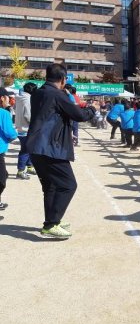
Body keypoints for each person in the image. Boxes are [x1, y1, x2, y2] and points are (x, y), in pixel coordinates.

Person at [26, 64, 96, 238]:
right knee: (68, 184)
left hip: (35, 146)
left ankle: (51, 222)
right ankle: (51, 224)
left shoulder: (39, 93)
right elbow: (79, 115)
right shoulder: (57, 94)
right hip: (49, 147)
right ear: (63, 79)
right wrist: (92, 108)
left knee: (50, 187)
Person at [14, 82, 37, 180]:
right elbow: (28, 115)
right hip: (26, 128)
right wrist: (34, 124)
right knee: (25, 150)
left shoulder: (19, 98)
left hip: (20, 127)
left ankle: (29, 167)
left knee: (29, 149)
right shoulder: (27, 99)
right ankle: (20, 170)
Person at [0, 87, 18, 213]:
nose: (9, 100)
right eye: (8, 97)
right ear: (2, 98)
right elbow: (10, 133)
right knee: (2, 179)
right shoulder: (4, 113)